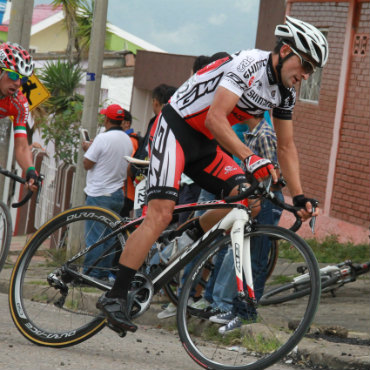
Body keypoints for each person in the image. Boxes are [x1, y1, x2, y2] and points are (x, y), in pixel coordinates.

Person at [96, 16, 328, 333]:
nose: (305, 75)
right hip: (176, 129)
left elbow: (286, 147)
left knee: (249, 201)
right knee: (160, 215)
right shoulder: (249, 64)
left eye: (312, 70)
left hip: (204, 145)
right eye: (305, 65)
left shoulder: (284, 93)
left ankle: (187, 237)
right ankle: (115, 295)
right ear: (285, 50)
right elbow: (216, 119)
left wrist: (298, 196)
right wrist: (250, 157)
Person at [82, 104, 133, 280]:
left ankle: (90, 275)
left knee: (95, 237)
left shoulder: (102, 139)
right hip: (118, 194)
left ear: (107, 120)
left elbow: (87, 164)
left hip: (99, 194)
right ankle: (102, 274)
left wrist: (87, 148)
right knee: (110, 237)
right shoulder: (127, 140)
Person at [0, 42, 39, 192]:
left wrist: (30, 171)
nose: (17, 83)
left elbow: (22, 146)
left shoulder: (19, 103)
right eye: (13, 75)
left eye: (22, 79)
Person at [120, 108, 143, 218]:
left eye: (117, 121)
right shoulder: (128, 139)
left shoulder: (130, 140)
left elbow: (128, 166)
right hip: (127, 193)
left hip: (126, 193)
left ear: (127, 124)